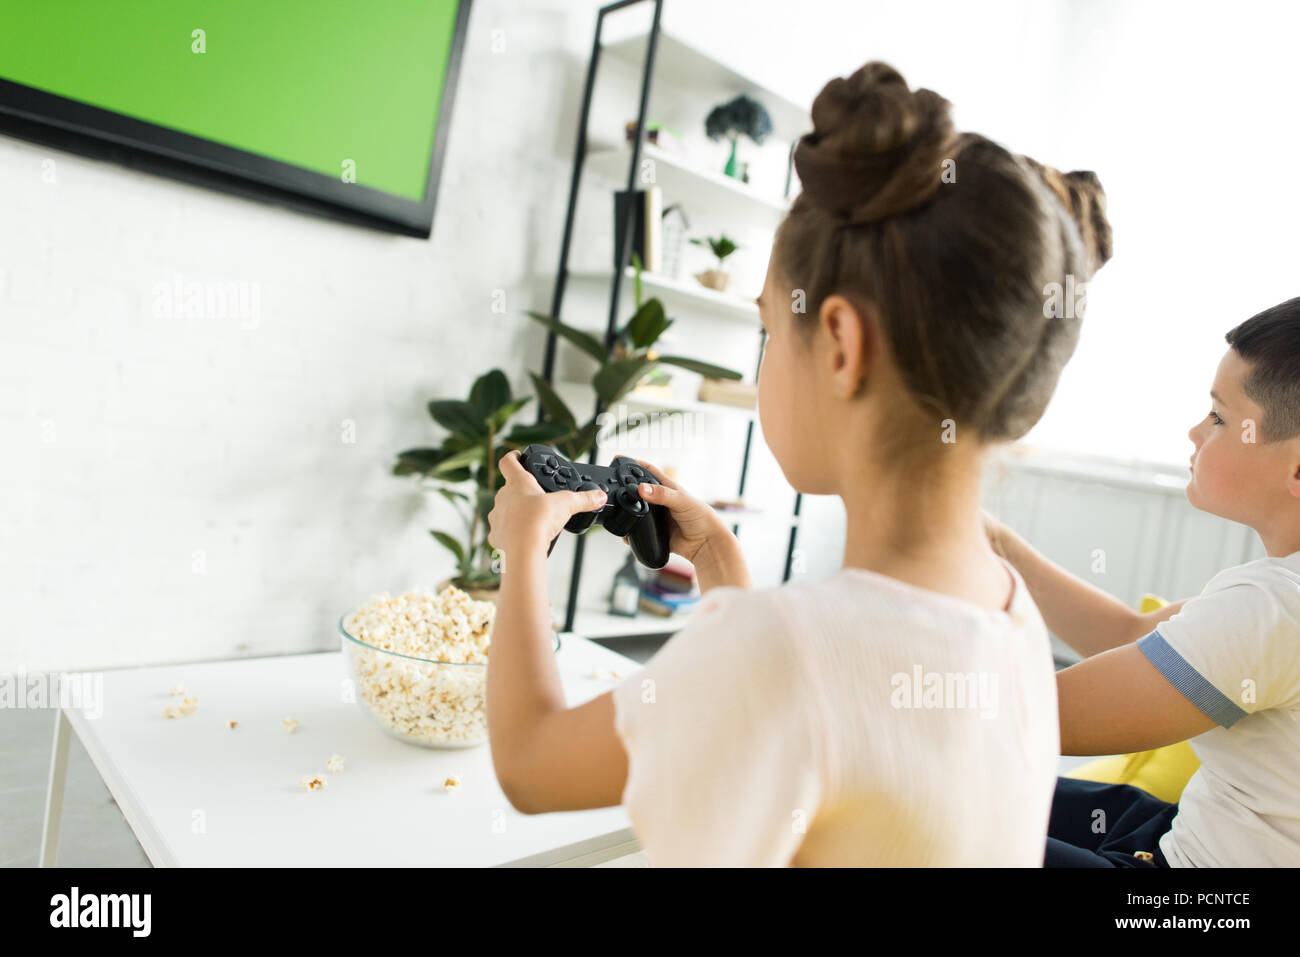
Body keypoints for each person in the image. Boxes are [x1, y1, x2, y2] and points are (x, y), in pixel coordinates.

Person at [485, 61, 1111, 865]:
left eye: (770, 332)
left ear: (842, 344)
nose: (763, 361)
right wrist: (718, 557)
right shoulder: (1011, 616)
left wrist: (521, 555)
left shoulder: (787, 653)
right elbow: (815, 707)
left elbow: (533, 764)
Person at [988, 296, 1300, 867]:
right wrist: (1001, 547)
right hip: (1178, 831)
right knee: (999, 785)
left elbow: (1029, 714)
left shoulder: (1274, 607)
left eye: (1220, 417)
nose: (1194, 431)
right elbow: (1126, 634)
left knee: (934, 825)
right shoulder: (1276, 598)